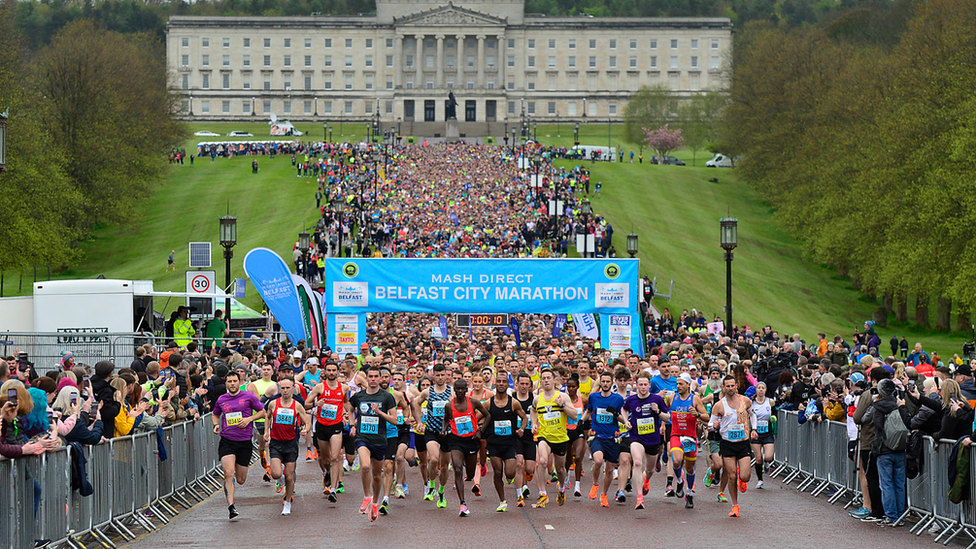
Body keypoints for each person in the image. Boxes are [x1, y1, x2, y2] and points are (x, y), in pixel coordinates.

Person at [212, 370, 265, 521]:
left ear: (239, 381)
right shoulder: (222, 399)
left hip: (244, 442)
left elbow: (262, 412)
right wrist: (216, 425)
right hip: (227, 440)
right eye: (229, 381)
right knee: (228, 473)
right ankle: (231, 507)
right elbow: (215, 414)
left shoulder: (248, 396)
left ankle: (234, 481)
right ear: (226, 383)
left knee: (240, 479)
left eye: (234, 381)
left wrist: (249, 419)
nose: (232, 384)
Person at [349, 367, 397, 522]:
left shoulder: (387, 397)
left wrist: (380, 413)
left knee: (377, 476)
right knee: (365, 467)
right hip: (363, 438)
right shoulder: (359, 396)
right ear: (366, 378)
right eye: (371, 376)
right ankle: (366, 496)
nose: (374, 379)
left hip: (380, 440)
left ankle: (375, 503)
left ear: (381, 378)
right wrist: (352, 425)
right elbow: (349, 410)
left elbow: (395, 420)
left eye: (377, 376)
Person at [862, 378, 911, 526]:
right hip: (900, 448)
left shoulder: (878, 406)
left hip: (884, 449)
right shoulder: (899, 404)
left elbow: (874, 423)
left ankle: (891, 515)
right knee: (899, 483)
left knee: (887, 484)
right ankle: (900, 515)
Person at [440, 379, 490, 517]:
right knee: (457, 468)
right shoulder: (449, 406)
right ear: (454, 390)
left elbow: (488, 416)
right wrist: (444, 429)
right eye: (458, 389)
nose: (460, 391)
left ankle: (471, 471)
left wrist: (480, 431)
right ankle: (462, 504)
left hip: (472, 440)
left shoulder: (473, 402)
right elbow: (445, 419)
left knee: (470, 474)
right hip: (456, 440)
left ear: (466, 389)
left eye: (463, 389)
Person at [622, 371, 670, 510]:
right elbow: (624, 410)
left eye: (645, 384)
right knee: (637, 462)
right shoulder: (631, 400)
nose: (643, 387)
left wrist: (657, 412)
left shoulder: (657, 399)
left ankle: (646, 480)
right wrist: (626, 421)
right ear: (636, 385)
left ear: (649, 385)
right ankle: (639, 498)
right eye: (640, 384)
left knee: (650, 469)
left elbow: (667, 418)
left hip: (653, 439)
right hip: (636, 437)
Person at [531, 368, 578, 508]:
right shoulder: (537, 399)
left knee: (560, 469)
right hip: (544, 436)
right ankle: (543, 494)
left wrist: (562, 406)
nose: (546, 380)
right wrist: (534, 424)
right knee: (542, 462)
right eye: (543, 378)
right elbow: (533, 410)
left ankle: (562, 487)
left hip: (560, 438)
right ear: (540, 381)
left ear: (554, 380)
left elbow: (574, 416)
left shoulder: (562, 397)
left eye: (548, 378)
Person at [264, 377, 310, 515]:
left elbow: (307, 422)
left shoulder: (297, 405)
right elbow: (267, 416)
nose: (285, 391)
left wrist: (305, 430)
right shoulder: (273, 403)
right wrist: (266, 431)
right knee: (276, 473)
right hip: (276, 443)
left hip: (290, 443)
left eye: (287, 388)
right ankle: (281, 481)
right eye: (282, 388)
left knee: (290, 477)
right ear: (279, 388)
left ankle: (287, 502)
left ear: (293, 388)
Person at [710, 375, 753, 518]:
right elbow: (711, 424)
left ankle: (743, 479)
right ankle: (735, 505)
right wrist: (714, 425)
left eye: (732, 385)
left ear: (736, 386)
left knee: (745, 476)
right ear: (722, 387)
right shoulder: (719, 405)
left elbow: (752, 414)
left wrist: (754, 429)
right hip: (727, 443)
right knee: (732, 475)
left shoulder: (745, 400)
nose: (730, 388)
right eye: (727, 386)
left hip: (743, 442)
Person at [411, 363, 453, 507]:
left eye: (443, 375)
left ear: (447, 376)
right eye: (438, 375)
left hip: (447, 432)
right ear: (433, 375)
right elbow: (415, 404)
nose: (441, 378)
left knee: (445, 466)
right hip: (431, 431)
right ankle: (431, 486)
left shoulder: (452, 392)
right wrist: (419, 422)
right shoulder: (427, 392)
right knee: (434, 459)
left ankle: (441, 492)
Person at [485, 371, 528, 512]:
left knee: (510, 473)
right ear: (495, 383)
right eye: (499, 381)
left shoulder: (513, 403)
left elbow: (524, 417)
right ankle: (502, 501)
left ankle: (509, 478)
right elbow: (478, 416)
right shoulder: (488, 403)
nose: (501, 384)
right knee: (497, 471)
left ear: (508, 384)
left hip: (509, 443)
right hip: (494, 443)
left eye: (504, 382)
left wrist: (521, 428)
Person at [305, 362, 348, 500]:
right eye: (328, 370)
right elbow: (306, 403)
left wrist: (348, 414)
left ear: (337, 372)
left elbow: (346, 403)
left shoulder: (344, 388)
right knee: (325, 459)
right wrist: (315, 404)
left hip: (336, 426)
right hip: (322, 425)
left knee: (335, 457)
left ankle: (333, 490)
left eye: (333, 370)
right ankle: (327, 472)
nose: (331, 372)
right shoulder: (319, 387)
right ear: (324, 372)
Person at [582, 371, 625, 507]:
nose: (605, 384)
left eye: (608, 382)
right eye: (603, 381)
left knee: (610, 470)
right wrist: (581, 421)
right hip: (597, 436)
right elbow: (589, 411)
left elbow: (623, 420)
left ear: (612, 383)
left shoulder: (618, 399)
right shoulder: (593, 397)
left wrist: (615, 414)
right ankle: (595, 484)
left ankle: (604, 494)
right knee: (599, 461)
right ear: (600, 382)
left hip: (612, 438)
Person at [668, 372, 710, 509]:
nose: (678, 386)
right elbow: (663, 409)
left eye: (681, 384)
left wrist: (697, 414)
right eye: (677, 384)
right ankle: (679, 481)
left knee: (690, 468)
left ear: (688, 385)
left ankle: (690, 493)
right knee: (676, 460)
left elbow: (706, 417)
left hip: (690, 437)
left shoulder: (695, 399)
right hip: (676, 435)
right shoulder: (672, 398)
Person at [248, 363, 277, 481]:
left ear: (272, 372)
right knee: (262, 445)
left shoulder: (276, 385)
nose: (266, 371)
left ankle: (269, 469)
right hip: (260, 419)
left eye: (268, 369)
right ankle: (261, 455)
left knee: (268, 444)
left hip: (273, 419)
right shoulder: (254, 385)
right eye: (264, 369)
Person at [513, 372, 536, 507]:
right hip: (516, 437)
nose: (524, 386)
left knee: (530, 468)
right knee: (518, 464)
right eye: (521, 384)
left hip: (530, 437)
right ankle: (519, 493)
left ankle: (526, 480)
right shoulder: (512, 399)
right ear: (516, 384)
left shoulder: (534, 399)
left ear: (530, 386)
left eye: (526, 384)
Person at [749, 381, 775, 489]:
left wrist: (773, 419)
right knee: (758, 458)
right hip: (756, 433)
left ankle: (767, 463)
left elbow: (775, 413)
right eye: (759, 388)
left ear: (765, 390)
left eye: (762, 388)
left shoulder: (771, 402)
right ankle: (760, 480)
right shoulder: (751, 403)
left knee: (768, 457)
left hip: (767, 432)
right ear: (756, 390)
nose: (760, 390)